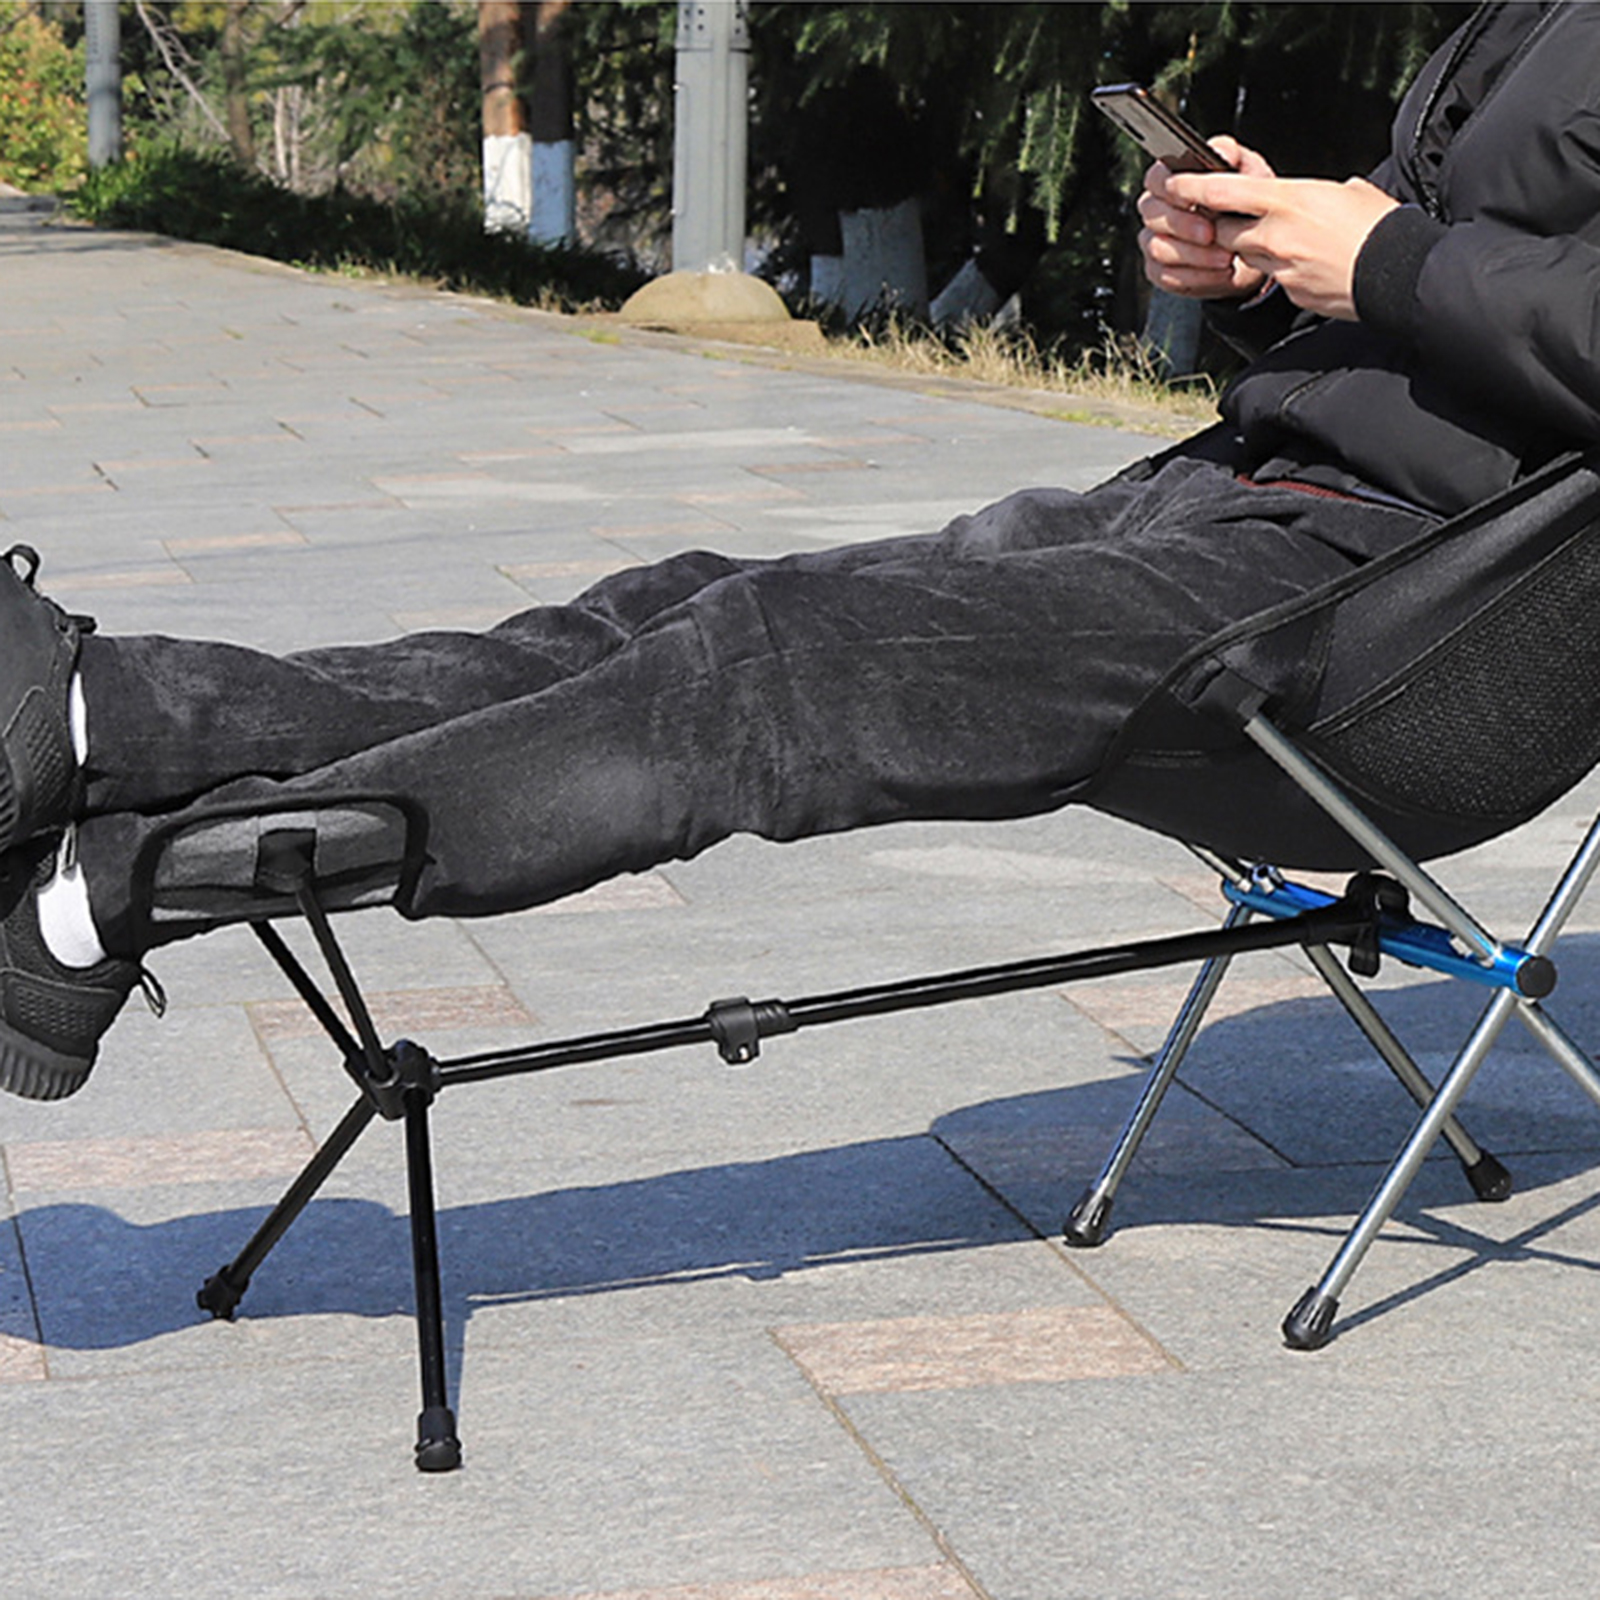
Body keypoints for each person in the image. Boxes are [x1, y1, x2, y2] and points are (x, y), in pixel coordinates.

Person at [1, 0, 1596, 1102]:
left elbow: (1446, 281)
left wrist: (1378, 255)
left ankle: (104, 896)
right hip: (1240, 498)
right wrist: (1257, 261)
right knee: (685, 608)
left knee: (774, 674)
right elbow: (1430, 262)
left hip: (1398, 618)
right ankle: (103, 716)